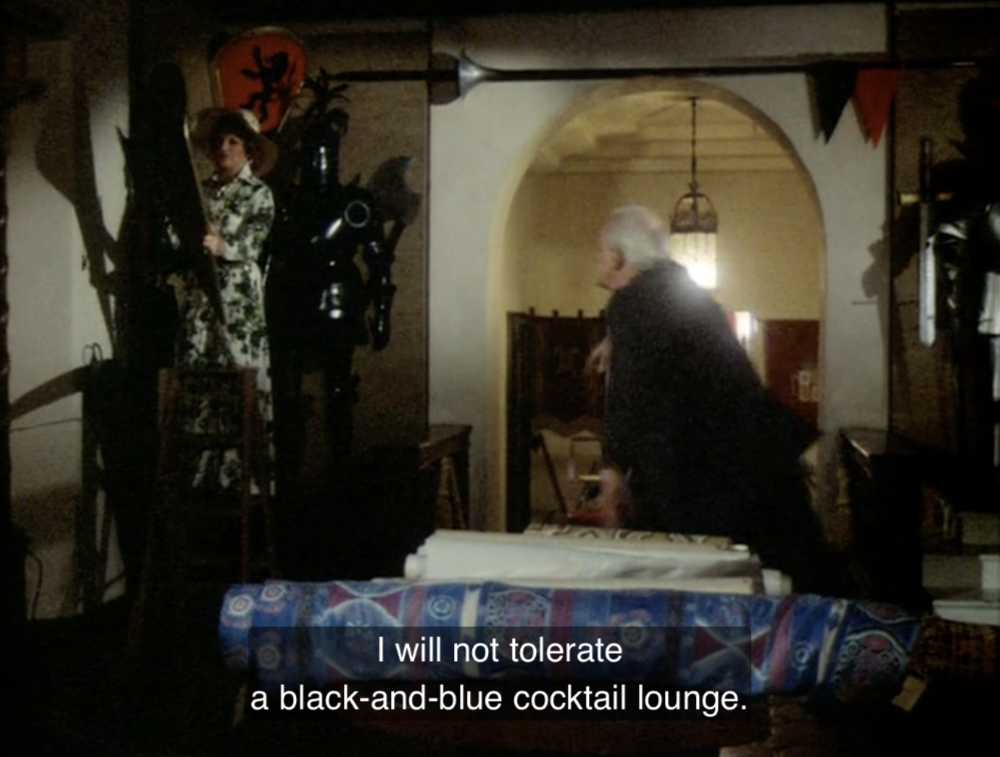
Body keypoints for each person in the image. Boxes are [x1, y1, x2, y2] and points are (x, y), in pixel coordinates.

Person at [593, 205, 844, 594]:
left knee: (731, 590)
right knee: (797, 579)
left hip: (718, 474)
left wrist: (612, 470)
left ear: (616, 256)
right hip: (754, 463)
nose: (597, 258)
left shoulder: (633, 303)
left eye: (600, 250)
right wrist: (615, 340)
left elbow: (632, 394)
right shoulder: (678, 290)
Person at [171, 108, 277, 489]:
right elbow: (181, 237)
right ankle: (199, 477)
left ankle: (242, 479)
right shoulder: (202, 191)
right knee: (200, 377)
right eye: (219, 142)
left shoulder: (258, 194)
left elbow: (253, 243)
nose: (224, 148)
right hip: (202, 294)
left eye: (233, 141)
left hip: (237, 298)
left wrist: (223, 245)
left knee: (238, 378)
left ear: (249, 149)